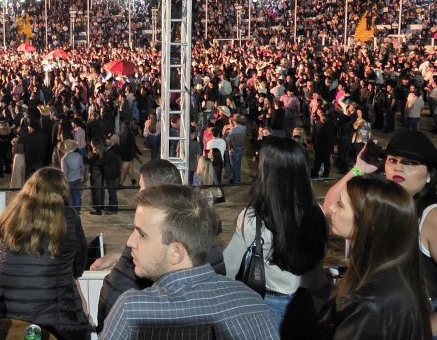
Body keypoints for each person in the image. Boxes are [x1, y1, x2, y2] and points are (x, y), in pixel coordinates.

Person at [100, 184, 277, 340]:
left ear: (176, 253)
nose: (130, 242)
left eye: (142, 234)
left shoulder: (132, 311)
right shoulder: (252, 302)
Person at [93, 159, 226, 333]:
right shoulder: (203, 232)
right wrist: (120, 256)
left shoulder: (131, 307)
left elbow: (117, 292)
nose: (131, 243)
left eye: (141, 188)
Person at [223, 136, 328, 334]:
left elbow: (228, 268)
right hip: (310, 304)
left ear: (267, 172)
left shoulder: (253, 218)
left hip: (269, 306)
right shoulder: (317, 212)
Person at [318, 176, 431, 339]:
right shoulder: (393, 272)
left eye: (340, 204)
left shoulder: (368, 302)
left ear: (368, 222)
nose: (332, 208)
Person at [0, 167, 92, 340]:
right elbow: (79, 265)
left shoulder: (9, 215)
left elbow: (1, 255)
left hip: (4, 314)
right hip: (55, 324)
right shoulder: (69, 218)